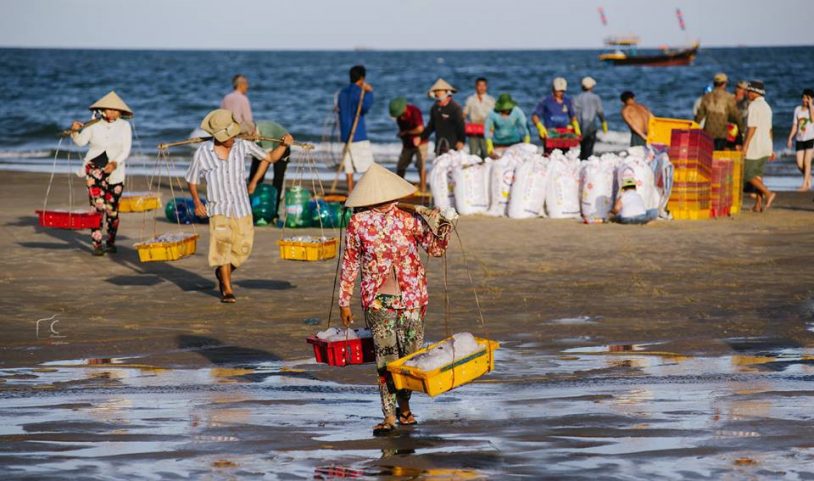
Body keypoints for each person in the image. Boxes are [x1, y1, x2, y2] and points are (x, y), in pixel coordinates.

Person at [338, 164, 451, 436]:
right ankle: (389, 414)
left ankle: (405, 407)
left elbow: (435, 250)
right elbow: (350, 261)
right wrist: (344, 300)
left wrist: (443, 225)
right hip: (377, 300)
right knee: (385, 358)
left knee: (410, 356)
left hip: (412, 297)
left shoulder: (409, 219)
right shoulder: (358, 222)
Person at [186, 109, 293, 303]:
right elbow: (192, 180)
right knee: (222, 248)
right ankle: (227, 288)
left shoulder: (242, 146)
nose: (234, 137)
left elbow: (269, 158)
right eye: (230, 135)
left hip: (242, 207)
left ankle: (222, 271)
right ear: (219, 136)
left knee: (244, 248)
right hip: (218, 208)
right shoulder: (203, 152)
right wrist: (196, 201)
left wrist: (284, 146)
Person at [70, 91, 133, 256]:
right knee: (97, 208)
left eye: (115, 110)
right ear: (103, 110)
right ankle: (97, 244)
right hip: (94, 170)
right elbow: (80, 142)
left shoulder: (125, 126)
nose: (112, 113)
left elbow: (126, 150)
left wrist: (114, 163)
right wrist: (75, 131)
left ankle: (110, 242)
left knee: (112, 210)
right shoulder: (93, 124)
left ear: (120, 112)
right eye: (109, 110)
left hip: (116, 172)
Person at [337, 65, 375, 192]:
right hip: (358, 135)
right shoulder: (360, 92)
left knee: (349, 168)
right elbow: (365, 107)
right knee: (368, 169)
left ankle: (350, 192)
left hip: (345, 135)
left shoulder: (342, 93)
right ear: (362, 78)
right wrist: (369, 92)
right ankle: (368, 193)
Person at [742, 81, 776, 212]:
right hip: (766, 145)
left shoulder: (753, 106)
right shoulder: (767, 106)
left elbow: (752, 127)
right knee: (758, 175)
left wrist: (745, 146)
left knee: (747, 174)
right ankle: (758, 205)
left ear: (754, 92)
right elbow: (770, 130)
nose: (747, 93)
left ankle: (768, 193)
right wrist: (771, 148)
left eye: (748, 91)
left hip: (755, 146)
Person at [248, 120, 291, 221]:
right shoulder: (252, 136)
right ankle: (253, 209)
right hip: (263, 148)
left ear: (252, 132)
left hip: (282, 148)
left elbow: (267, 160)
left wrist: (254, 182)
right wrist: (253, 181)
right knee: (254, 176)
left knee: (278, 180)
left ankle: (275, 214)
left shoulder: (265, 132)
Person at [694, 73, 743, 150]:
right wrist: (742, 130)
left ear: (714, 83)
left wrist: (694, 131)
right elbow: (735, 115)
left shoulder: (707, 97)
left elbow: (699, 116)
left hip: (708, 133)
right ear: (724, 84)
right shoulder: (728, 97)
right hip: (721, 134)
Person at [389, 97, 429, 192]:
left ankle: (423, 189)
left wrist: (406, 133)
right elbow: (402, 131)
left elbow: (420, 129)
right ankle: (399, 189)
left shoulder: (414, 111)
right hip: (407, 144)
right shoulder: (399, 117)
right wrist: (403, 135)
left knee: (421, 165)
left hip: (420, 142)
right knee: (401, 166)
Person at [419, 78, 466, 155]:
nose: (437, 95)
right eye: (436, 93)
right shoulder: (434, 108)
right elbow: (431, 126)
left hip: (453, 145)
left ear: (448, 94)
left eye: (439, 92)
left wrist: (461, 141)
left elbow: (461, 125)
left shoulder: (455, 108)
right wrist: (421, 137)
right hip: (439, 145)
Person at [531, 77, 580, 143]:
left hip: (564, 134)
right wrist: (540, 127)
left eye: (562, 91)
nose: (561, 93)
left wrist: (576, 126)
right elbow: (535, 116)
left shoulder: (567, 101)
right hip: (550, 134)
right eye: (559, 91)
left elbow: (572, 116)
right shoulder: (546, 101)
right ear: (553, 89)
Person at [484, 93, 531, 157]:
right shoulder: (493, 113)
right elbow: (487, 130)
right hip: (498, 143)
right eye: (505, 109)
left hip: (515, 142)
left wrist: (527, 141)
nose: (507, 111)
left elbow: (525, 126)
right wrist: (489, 144)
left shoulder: (517, 111)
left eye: (509, 109)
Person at [786, 89, 814, 191]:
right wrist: (790, 138)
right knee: (799, 164)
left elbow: (812, 119)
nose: (805, 100)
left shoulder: (812, 109)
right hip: (799, 139)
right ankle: (808, 178)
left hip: (810, 139)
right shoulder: (797, 109)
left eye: (808, 98)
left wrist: (811, 105)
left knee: (807, 162)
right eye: (804, 97)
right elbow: (795, 125)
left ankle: (804, 185)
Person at [573, 77, 607, 159]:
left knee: (583, 147)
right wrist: (603, 122)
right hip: (591, 126)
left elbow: (574, 114)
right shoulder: (595, 97)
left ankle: (582, 161)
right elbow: (600, 112)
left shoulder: (577, 98)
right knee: (589, 148)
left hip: (580, 126)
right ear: (591, 87)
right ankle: (587, 162)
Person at [463, 77, 495, 159]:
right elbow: (464, 113)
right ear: (476, 86)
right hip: (473, 129)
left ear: (486, 87)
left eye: (483, 85)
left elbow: (495, 116)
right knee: (473, 154)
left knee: (487, 154)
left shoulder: (491, 100)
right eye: (479, 85)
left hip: (487, 129)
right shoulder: (470, 99)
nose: (481, 87)